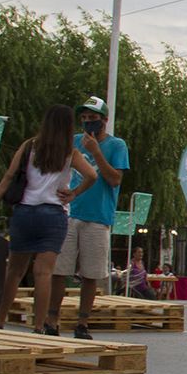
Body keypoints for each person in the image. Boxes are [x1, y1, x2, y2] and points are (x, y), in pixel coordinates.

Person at [0, 105, 98, 334]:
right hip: (53, 215)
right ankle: (39, 325)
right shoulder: (70, 152)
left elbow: (8, 177)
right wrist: (73, 193)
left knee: (14, 271)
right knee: (43, 273)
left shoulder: (29, 146)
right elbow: (92, 175)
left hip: (25, 213)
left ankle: (0, 320)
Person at [48, 95, 129, 340]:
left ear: (104, 120)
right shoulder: (73, 142)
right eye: (83, 118)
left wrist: (96, 152)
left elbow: (115, 179)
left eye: (93, 118)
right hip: (70, 212)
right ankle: (52, 319)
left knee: (91, 274)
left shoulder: (117, 145)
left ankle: (83, 323)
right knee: (60, 270)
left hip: (98, 216)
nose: (88, 122)